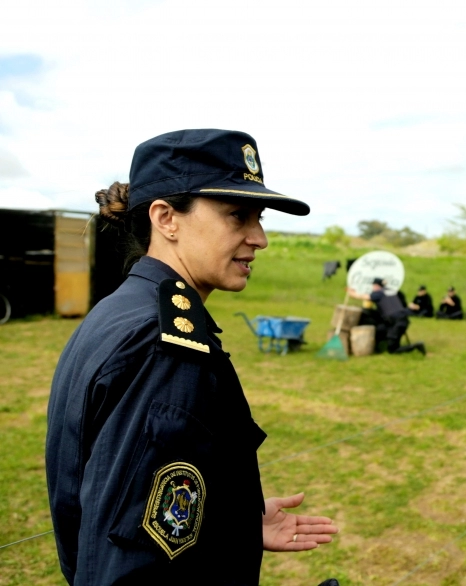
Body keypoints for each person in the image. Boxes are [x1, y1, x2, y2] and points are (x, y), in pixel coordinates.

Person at [45, 129, 338, 585]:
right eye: (237, 216)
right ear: (166, 219)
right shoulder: (164, 347)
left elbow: (126, 505)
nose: (259, 238)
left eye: (258, 218)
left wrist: (230, 523)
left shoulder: (121, 310)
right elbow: (128, 568)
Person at [348, 279, 426, 354]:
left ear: (376, 286)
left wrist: (352, 293)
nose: (372, 288)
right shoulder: (392, 291)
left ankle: (416, 346)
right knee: (380, 330)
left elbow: (365, 297)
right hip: (401, 320)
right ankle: (379, 347)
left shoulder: (379, 293)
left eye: (373, 286)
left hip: (396, 322)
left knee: (392, 349)